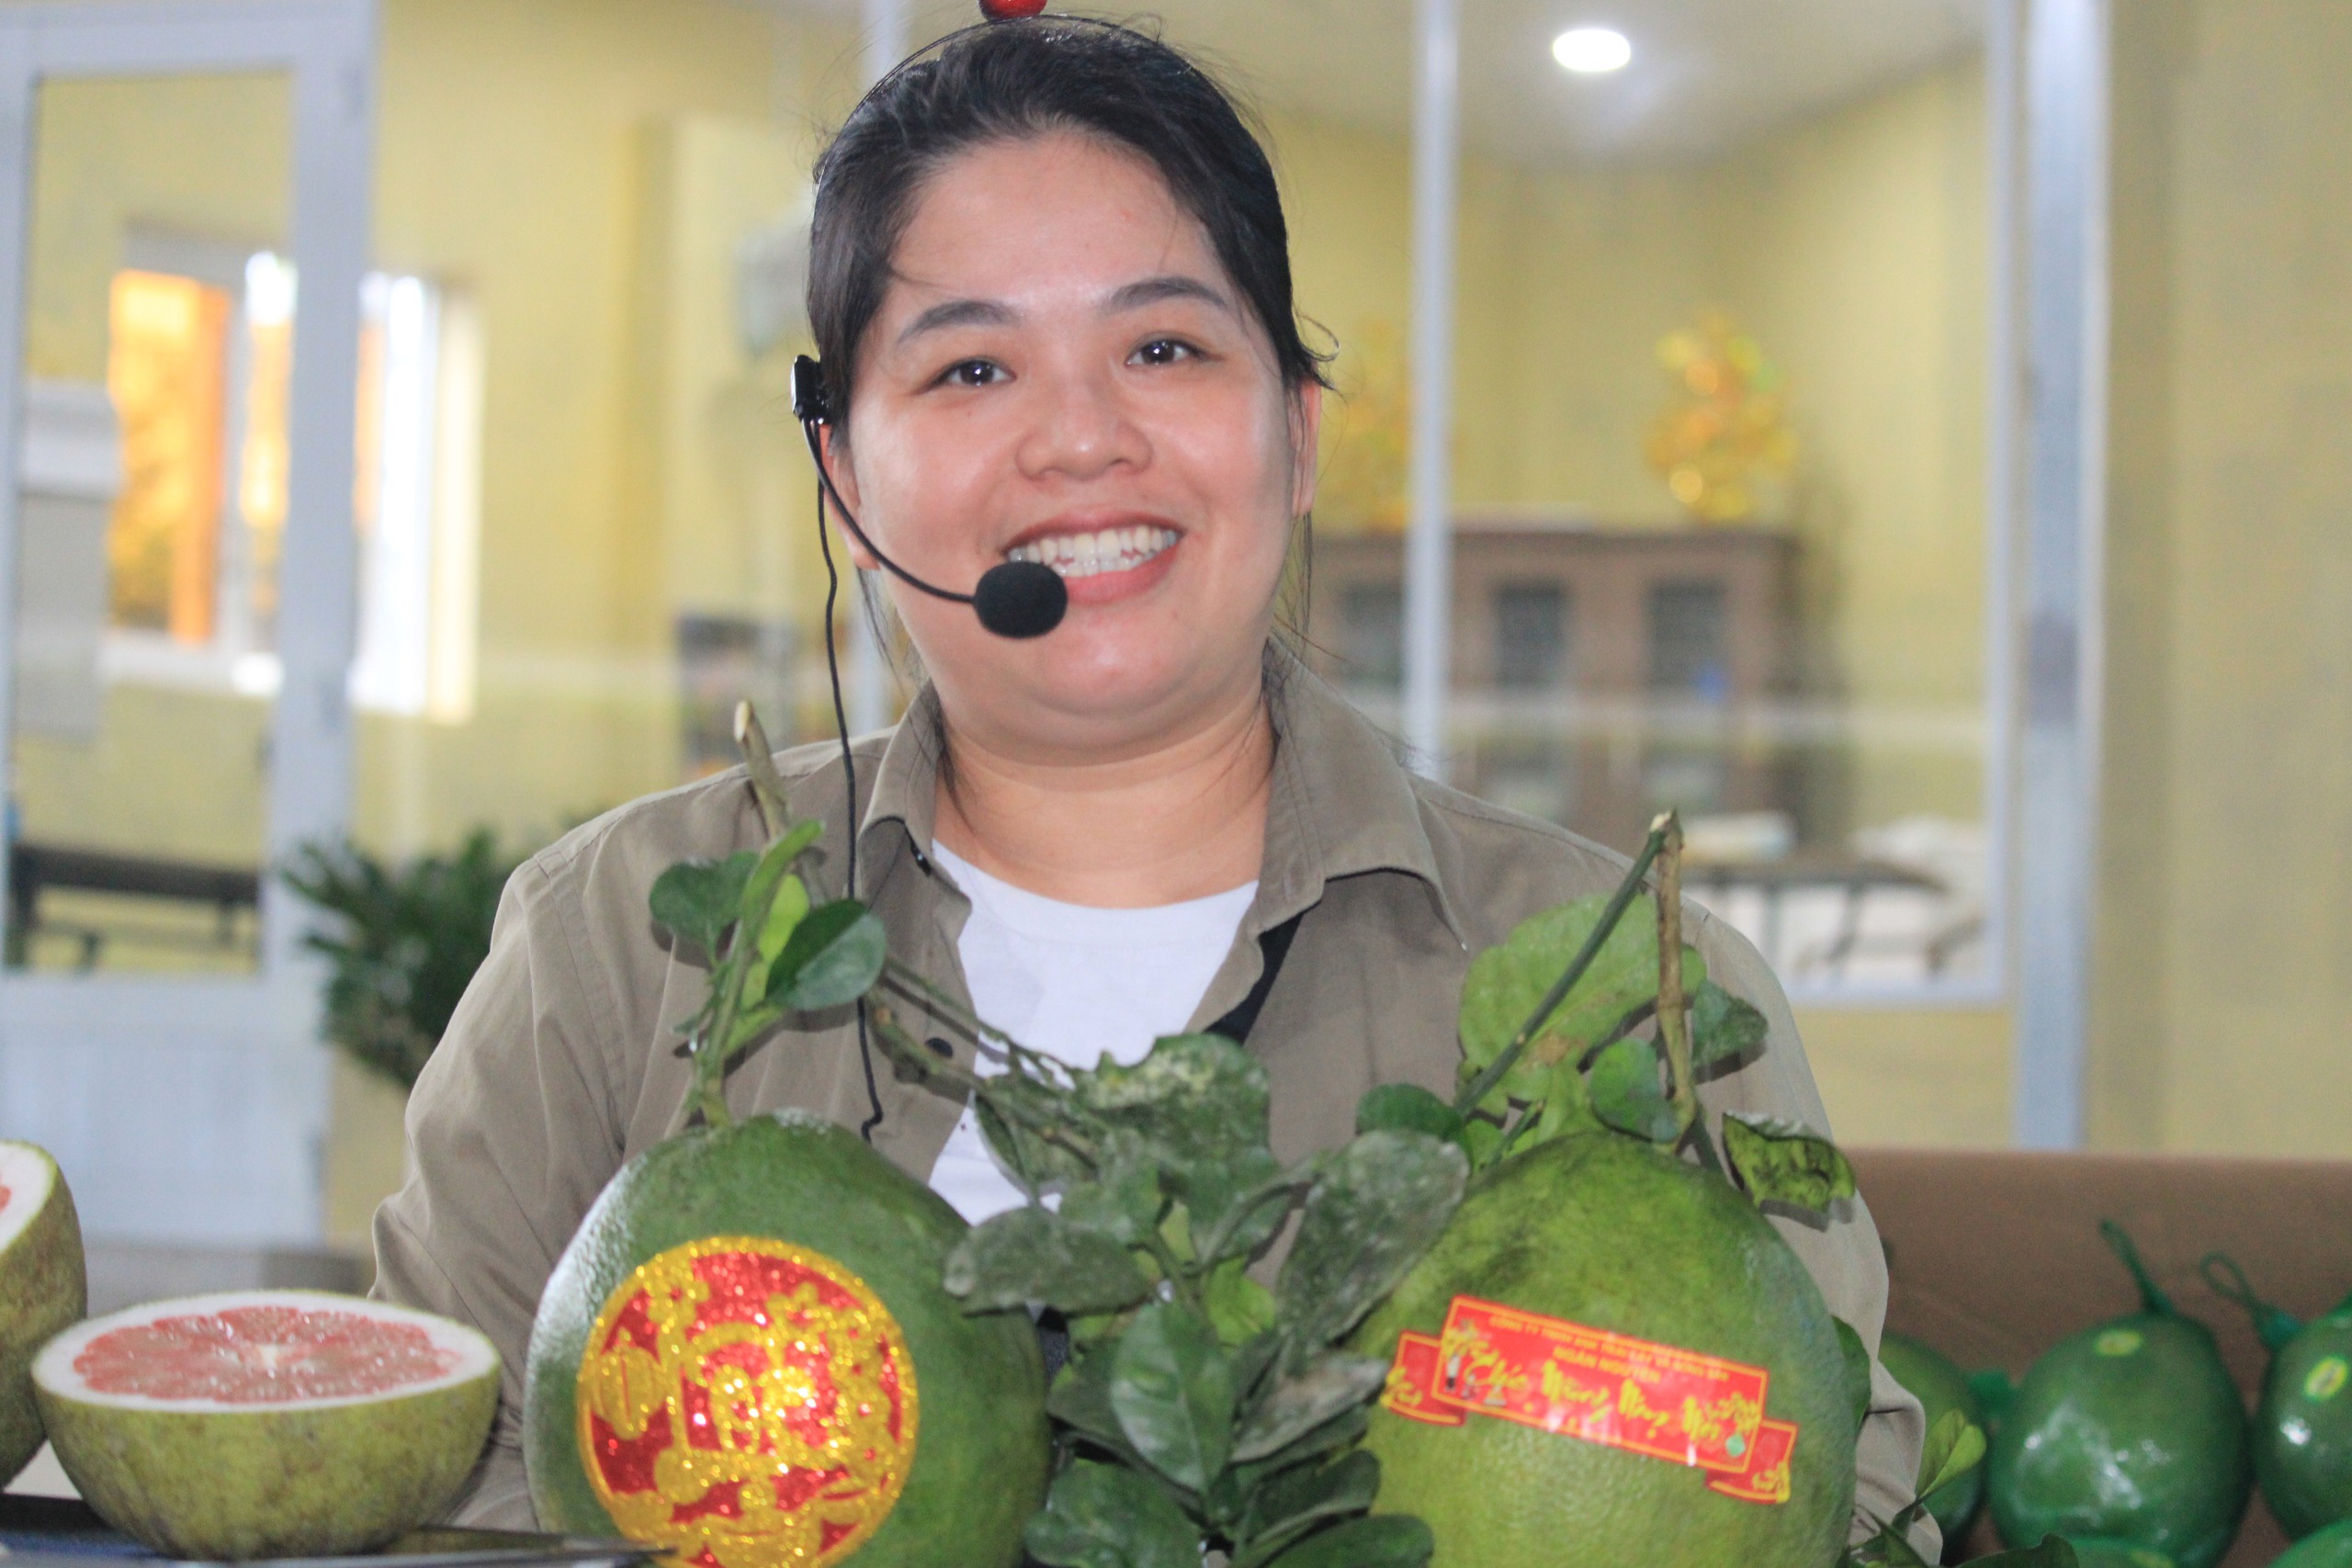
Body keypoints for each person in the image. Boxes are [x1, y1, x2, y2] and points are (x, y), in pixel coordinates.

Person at [372, 15, 1933, 1554]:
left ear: (1298, 437)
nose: (1078, 439)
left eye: (1165, 346)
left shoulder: (1625, 987)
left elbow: (1835, 1519)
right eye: (973, 365)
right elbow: (421, 1489)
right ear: (845, 480)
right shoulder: (617, 947)